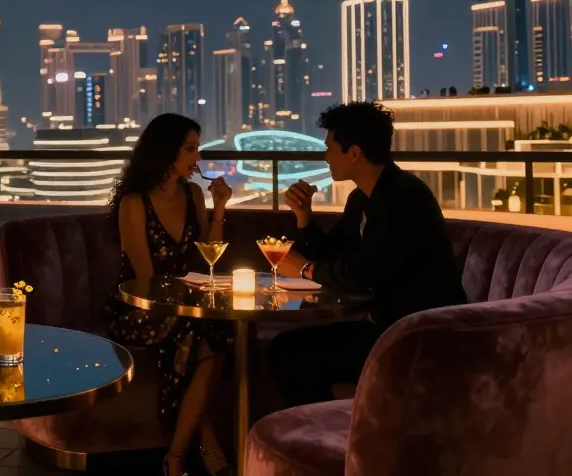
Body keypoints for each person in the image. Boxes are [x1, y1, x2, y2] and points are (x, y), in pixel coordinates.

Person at [272, 102, 465, 406]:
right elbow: (333, 253)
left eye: (329, 147)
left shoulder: (405, 199)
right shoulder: (362, 198)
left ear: (354, 153)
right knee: (285, 347)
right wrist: (303, 216)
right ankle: (326, 434)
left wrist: (306, 269)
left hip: (419, 335)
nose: (325, 157)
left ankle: (327, 439)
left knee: (293, 354)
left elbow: (363, 276)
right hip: (387, 327)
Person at [104, 113, 234, 476]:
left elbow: (210, 256)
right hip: (138, 307)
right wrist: (185, 306)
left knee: (211, 335)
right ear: (166, 152)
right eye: (190, 149)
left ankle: (175, 457)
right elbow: (146, 281)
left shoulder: (194, 194)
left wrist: (219, 208)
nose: (197, 158)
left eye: (197, 149)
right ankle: (197, 450)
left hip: (185, 307)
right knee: (202, 335)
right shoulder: (134, 203)